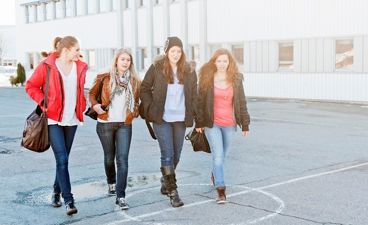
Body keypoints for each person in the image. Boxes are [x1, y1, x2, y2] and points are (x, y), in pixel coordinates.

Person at [25, 36, 88, 215]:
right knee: (62, 159)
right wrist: (43, 101)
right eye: (76, 49)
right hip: (53, 120)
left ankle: (56, 191)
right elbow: (30, 86)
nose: (79, 52)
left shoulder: (80, 66)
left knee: (64, 159)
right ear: (66, 50)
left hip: (72, 120)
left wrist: (82, 106)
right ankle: (69, 201)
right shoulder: (47, 65)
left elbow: (79, 91)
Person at [140, 37, 197, 207]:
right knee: (167, 154)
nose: (176, 54)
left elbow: (194, 93)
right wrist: (150, 107)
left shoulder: (189, 70)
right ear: (166, 52)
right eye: (173, 50)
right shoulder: (157, 67)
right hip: (161, 118)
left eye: (179, 51)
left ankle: (166, 180)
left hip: (180, 119)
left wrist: (195, 113)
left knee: (176, 155)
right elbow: (144, 88)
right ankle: (173, 192)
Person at [195, 48, 250, 204]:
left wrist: (245, 124)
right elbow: (199, 102)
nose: (222, 64)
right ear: (214, 62)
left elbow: (242, 102)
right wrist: (199, 122)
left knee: (222, 157)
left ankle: (215, 173)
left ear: (229, 62)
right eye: (219, 61)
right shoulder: (207, 78)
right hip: (212, 124)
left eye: (225, 61)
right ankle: (220, 189)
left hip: (230, 124)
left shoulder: (236, 79)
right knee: (218, 156)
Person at [88, 49, 140, 210]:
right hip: (106, 123)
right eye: (123, 59)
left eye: (128, 60)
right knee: (109, 157)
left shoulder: (135, 81)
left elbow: (137, 100)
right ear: (116, 61)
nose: (125, 62)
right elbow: (91, 94)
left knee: (122, 160)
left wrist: (135, 110)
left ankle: (121, 195)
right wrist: (95, 106)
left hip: (124, 123)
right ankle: (111, 182)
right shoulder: (104, 77)